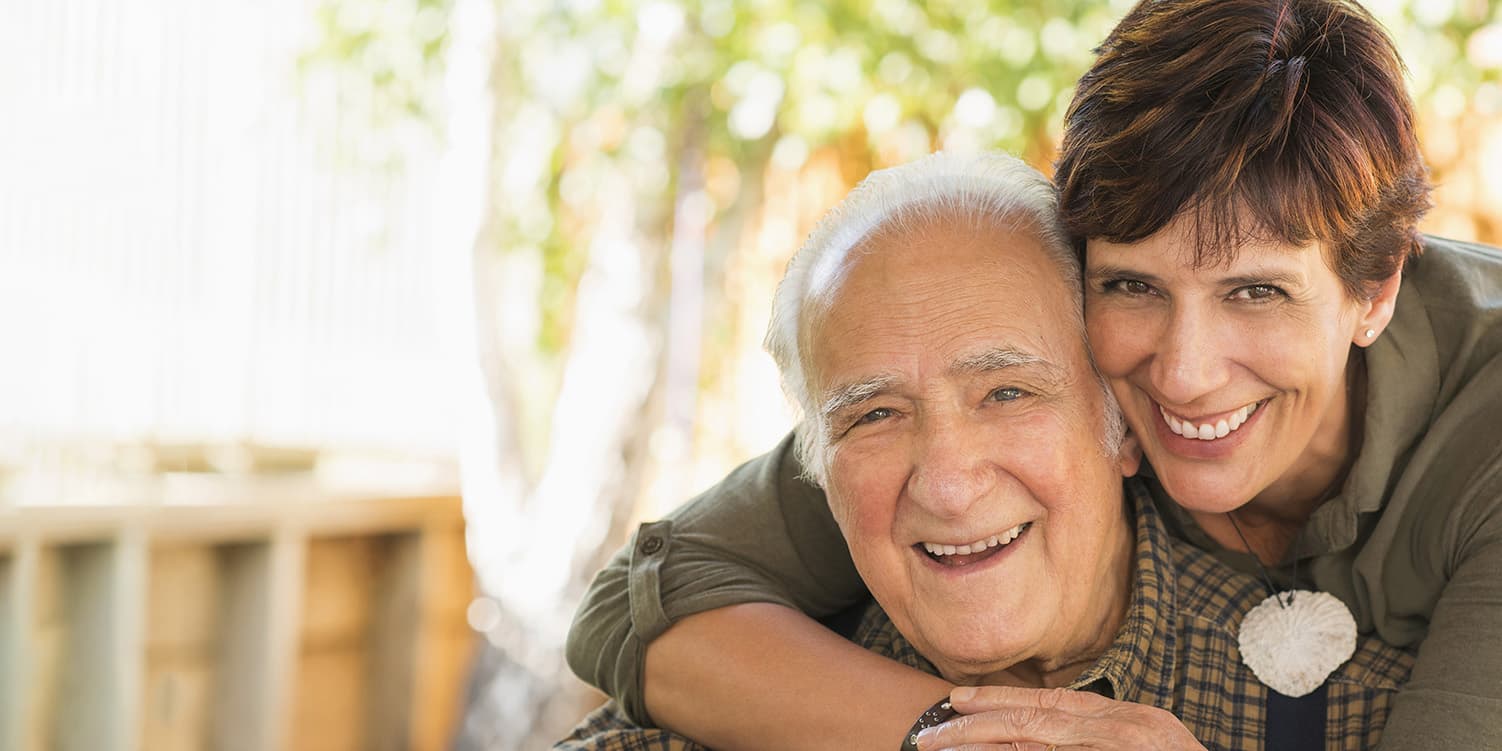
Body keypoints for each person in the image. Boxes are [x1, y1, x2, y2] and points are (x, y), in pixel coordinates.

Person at [567, 0, 1502, 748]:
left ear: (1375, 288)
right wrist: (956, 734)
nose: (1181, 373)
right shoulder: (980, 426)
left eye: (1256, 292)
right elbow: (634, 606)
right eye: (1133, 284)